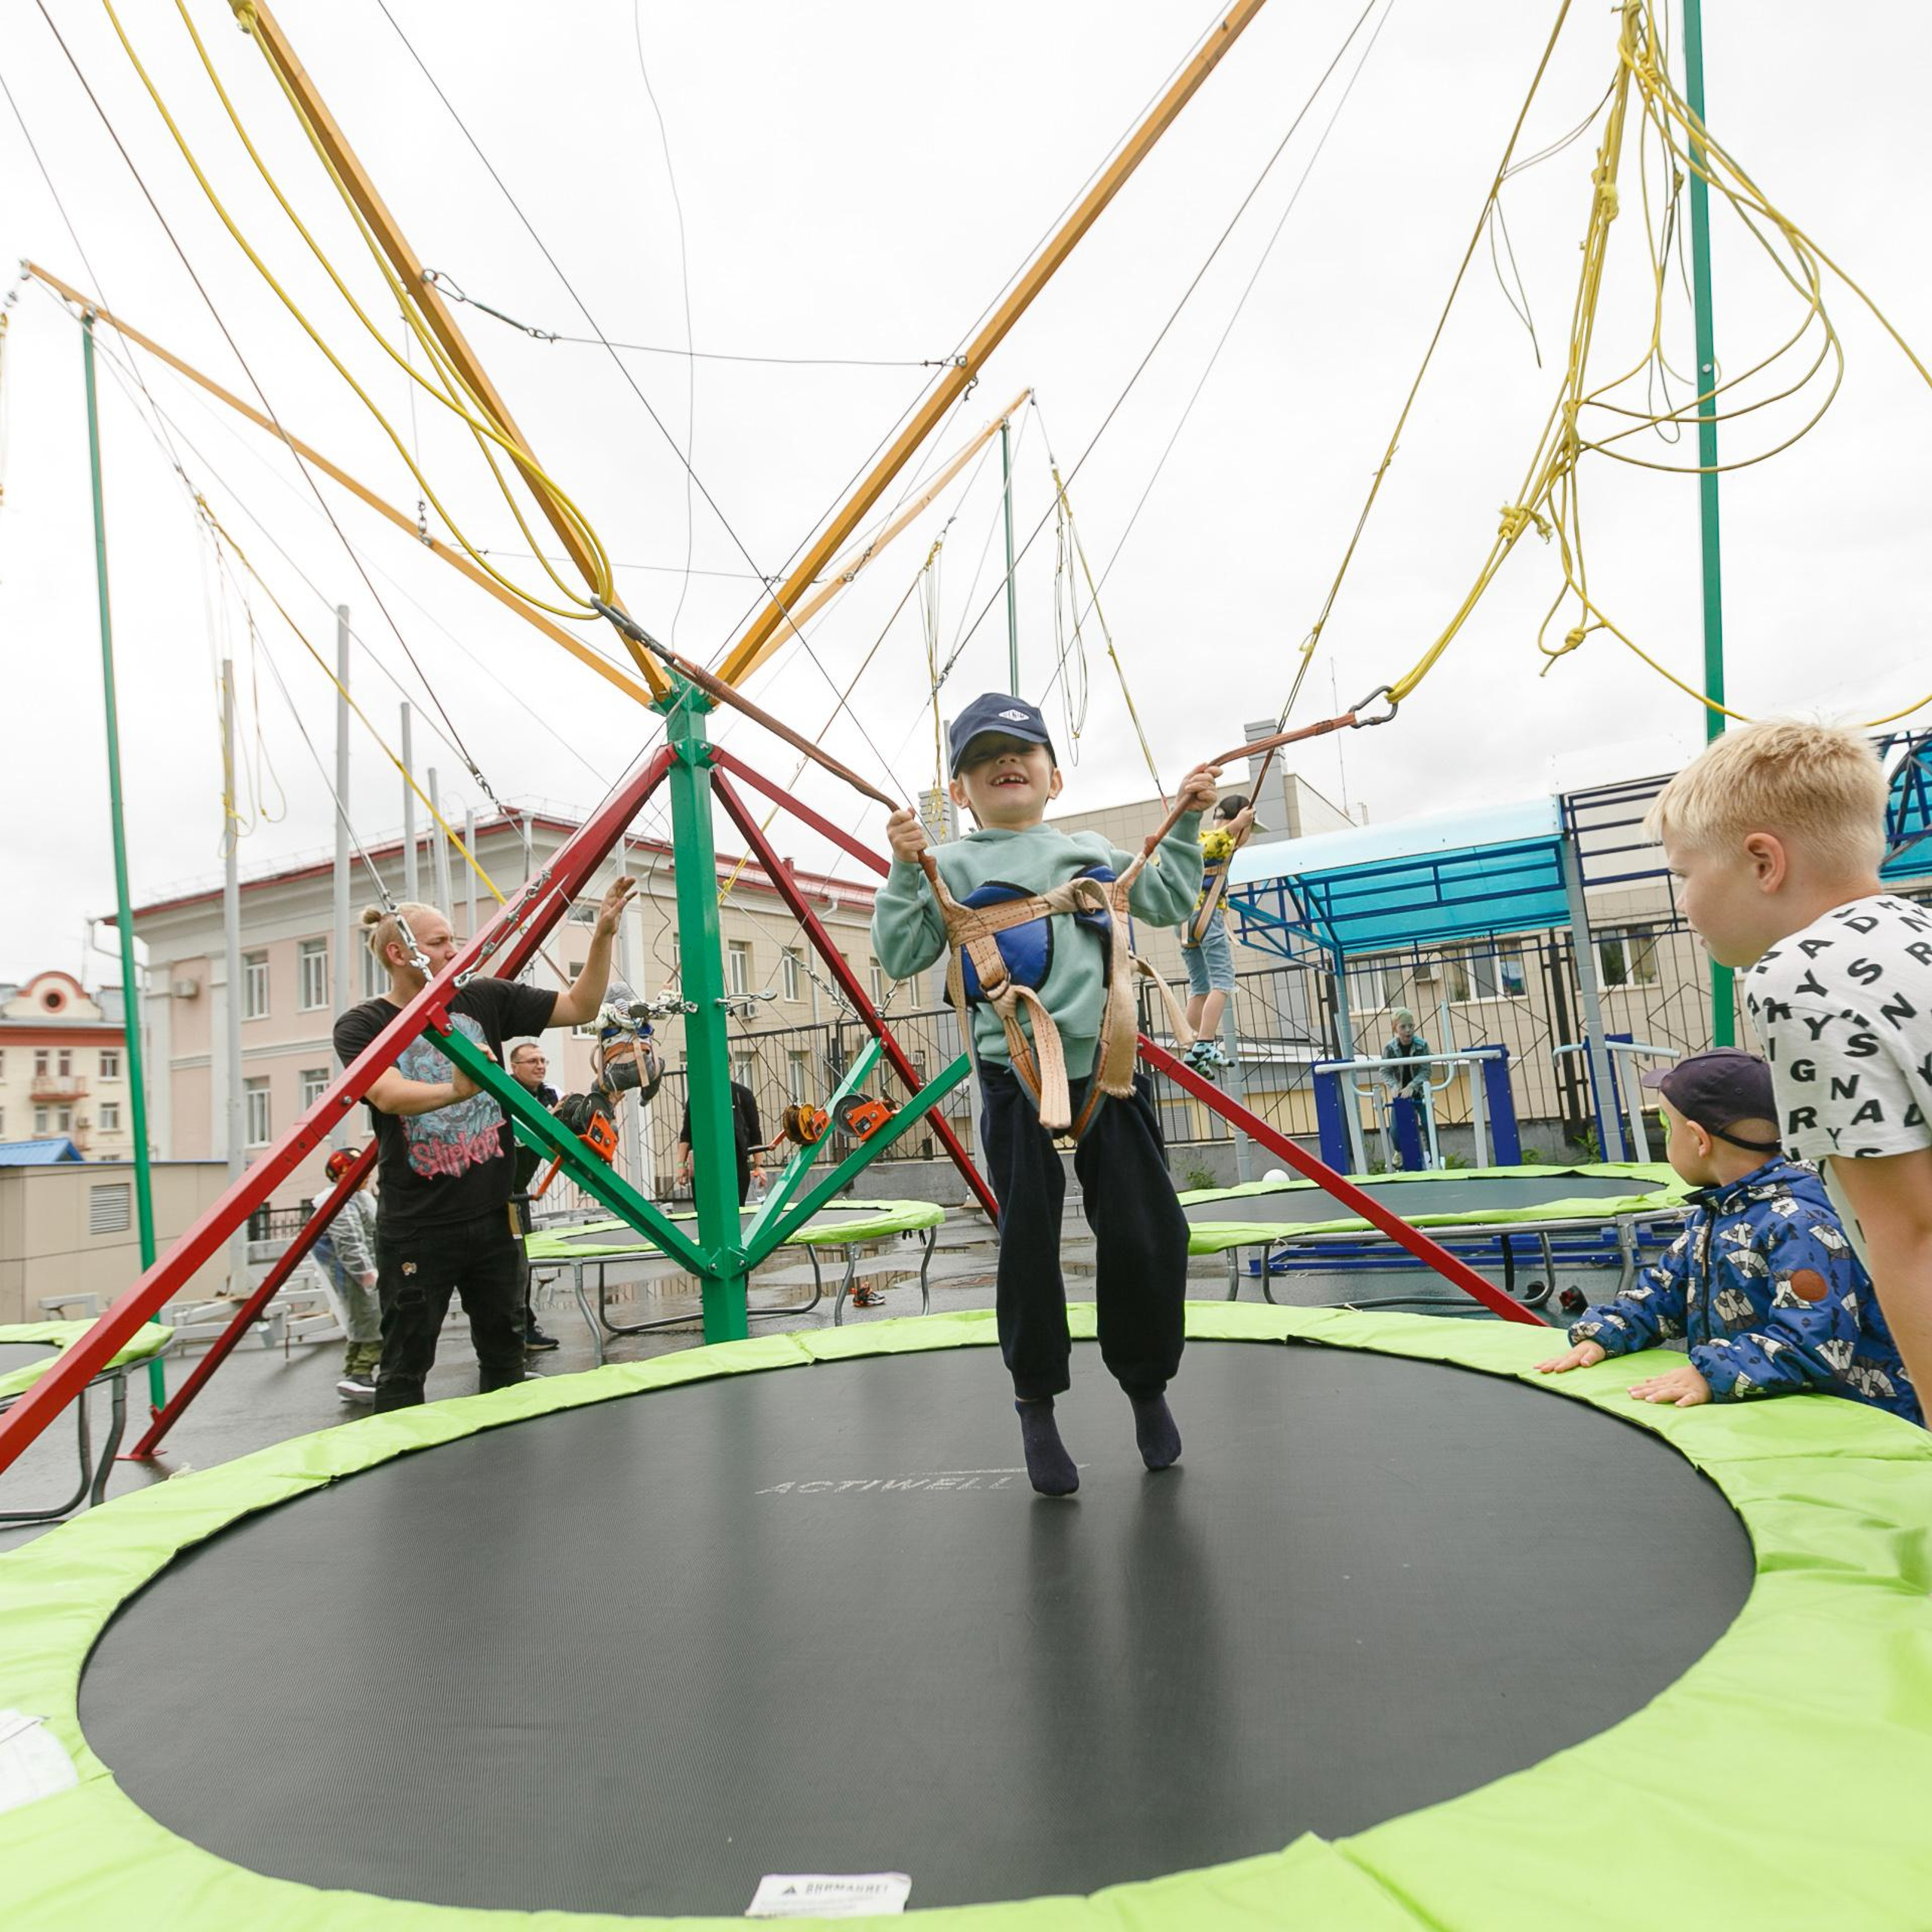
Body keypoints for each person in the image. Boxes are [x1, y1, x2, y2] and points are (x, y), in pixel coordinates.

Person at [873, 691, 1220, 1495]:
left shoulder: (1089, 849)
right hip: (1012, 1072)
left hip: (1108, 1067)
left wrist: (1188, 821)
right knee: (1026, 1244)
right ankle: (1036, 1405)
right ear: (959, 792)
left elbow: (1168, 902)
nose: (1005, 764)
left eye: (1021, 752)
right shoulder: (946, 865)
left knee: (1146, 1233)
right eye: (981, 758)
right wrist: (901, 866)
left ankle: (1146, 1387)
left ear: (1053, 777)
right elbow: (896, 954)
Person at [1646, 718, 1932, 1415]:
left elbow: (1914, 1237)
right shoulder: (1915, 933)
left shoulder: (1800, 974)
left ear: (1763, 862)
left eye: (1684, 873)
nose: (1682, 903)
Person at [333, 886, 634, 1411]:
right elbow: (386, 1094)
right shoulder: (364, 1025)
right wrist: (455, 1090)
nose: (455, 951)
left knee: (506, 1362)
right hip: (417, 1226)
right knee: (404, 1369)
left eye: (454, 939)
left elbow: (581, 1004)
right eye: (440, 942)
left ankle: (506, 1481)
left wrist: (603, 936)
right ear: (398, 954)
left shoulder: (484, 999)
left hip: (495, 1218)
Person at [1536, 1048, 1917, 1420]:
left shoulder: (1802, 1224)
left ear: (1699, 1140)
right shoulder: (1717, 1213)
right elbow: (1663, 1292)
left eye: (1666, 1128)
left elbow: (1813, 1344)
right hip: (1773, 1412)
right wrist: (1605, 1333)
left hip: (1856, 1426)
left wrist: (1711, 1373)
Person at [1178, 792, 1257, 1075]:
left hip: (1187, 923)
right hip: (1206, 918)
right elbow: (1212, 844)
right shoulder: (1216, 842)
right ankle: (1205, 1042)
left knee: (1199, 987)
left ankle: (1190, 1048)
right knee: (1222, 982)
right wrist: (1237, 825)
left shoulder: (1196, 842)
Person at [309, 1146, 381, 1402]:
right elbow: (350, 1242)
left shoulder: (356, 1198)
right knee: (373, 1321)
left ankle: (353, 1372)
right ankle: (360, 1374)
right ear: (342, 1175)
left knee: (361, 1322)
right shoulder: (341, 1203)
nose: (367, 1175)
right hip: (355, 1275)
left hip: (355, 1273)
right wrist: (368, 1275)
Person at [507, 1040, 561, 1353]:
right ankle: (518, 1330)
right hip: (495, 1190)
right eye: (532, 1061)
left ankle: (523, 1328)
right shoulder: (503, 1092)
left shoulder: (550, 1094)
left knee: (520, 1263)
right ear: (514, 1067)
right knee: (512, 1264)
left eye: (543, 1060)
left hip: (517, 1192)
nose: (540, 1065)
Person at [677, 1075, 763, 1206]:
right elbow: (686, 1134)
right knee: (705, 1210)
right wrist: (681, 1166)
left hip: (736, 1164)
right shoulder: (698, 1096)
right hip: (704, 1167)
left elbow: (755, 1134)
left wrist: (759, 1166)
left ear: (730, 1065)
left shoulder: (742, 1095)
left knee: (734, 1209)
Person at [1382, 1008, 1432, 1167]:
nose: (1408, 1030)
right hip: (1400, 1095)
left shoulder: (1422, 1045)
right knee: (1396, 1132)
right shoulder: (1390, 1048)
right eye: (1403, 1027)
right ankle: (1399, 1151)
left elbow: (1426, 1070)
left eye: (1411, 1026)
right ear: (1395, 1029)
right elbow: (1384, 1071)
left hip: (1419, 1092)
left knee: (1428, 1125)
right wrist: (1393, 1086)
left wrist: (1413, 1085)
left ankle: (1433, 1157)